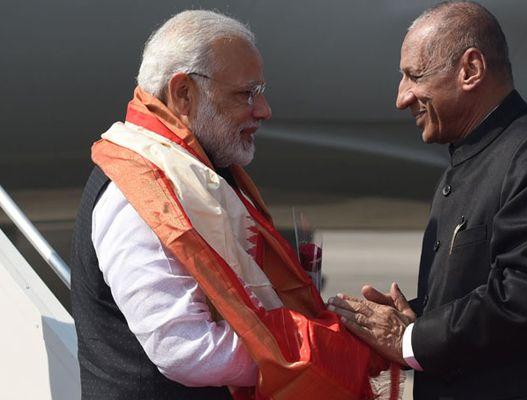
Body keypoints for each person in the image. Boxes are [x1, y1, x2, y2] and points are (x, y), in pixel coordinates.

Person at [71, 10, 387, 400]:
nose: (263, 110)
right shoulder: (137, 187)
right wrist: (317, 350)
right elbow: (183, 348)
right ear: (184, 93)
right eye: (246, 94)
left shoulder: (197, 170)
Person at [328, 2, 527, 399]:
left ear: (470, 70)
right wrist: (415, 316)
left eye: (414, 76)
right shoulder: (469, 160)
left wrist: (411, 338)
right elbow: (478, 292)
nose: (402, 97)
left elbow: (524, 298)